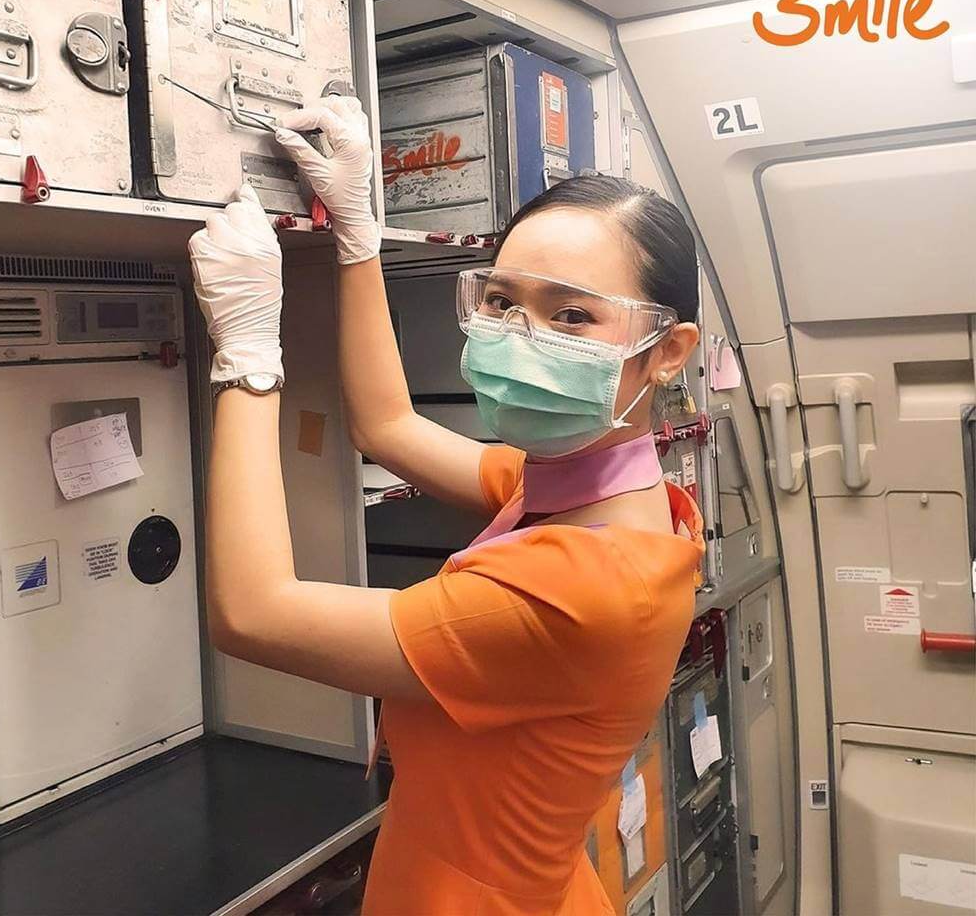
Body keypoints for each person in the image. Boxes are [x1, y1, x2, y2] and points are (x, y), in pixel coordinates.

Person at [188, 95, 704, 916]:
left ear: (668, 351)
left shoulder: (584, 586)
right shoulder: (600, 491)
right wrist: (357, 235)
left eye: (571, 314)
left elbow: (252, 613)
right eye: (501, 301)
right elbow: (389, 427)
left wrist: (248, 355)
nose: (519, 335)